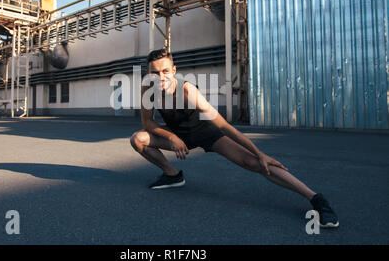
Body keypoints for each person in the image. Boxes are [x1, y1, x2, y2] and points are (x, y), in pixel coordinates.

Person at [130, 48, 339, 228]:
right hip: (177, 136)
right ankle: (173, 175)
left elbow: (223, 125)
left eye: (165, 71)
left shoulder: (187, 91)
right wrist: (171, 138)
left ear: (174, 71)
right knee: (138, 139)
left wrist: (260, 153)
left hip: (206, 132)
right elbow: (148, 123)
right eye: (155, 73)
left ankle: (316, 198)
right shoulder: (147, 88)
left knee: (255, 163)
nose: (161, 77)